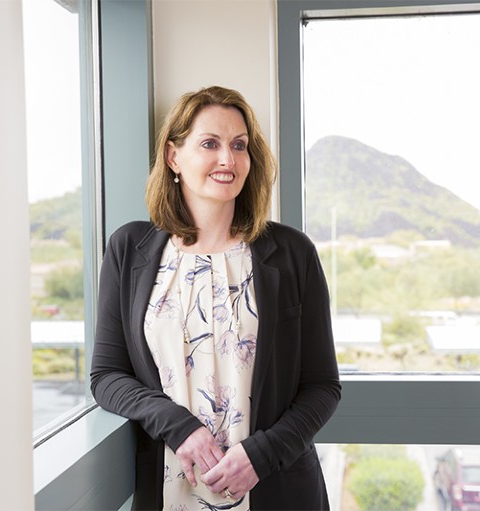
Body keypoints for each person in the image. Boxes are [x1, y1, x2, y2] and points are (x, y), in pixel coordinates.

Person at [91, 85, 341, 510]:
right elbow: (108, 376)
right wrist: (178, 427)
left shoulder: (292, 253)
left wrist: (262, 455)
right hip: (171, 490)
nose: (228, 159)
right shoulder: (128, 248)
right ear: (173, 156)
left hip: (277, 488)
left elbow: (322, 386)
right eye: (210, 143)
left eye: (239, 145)